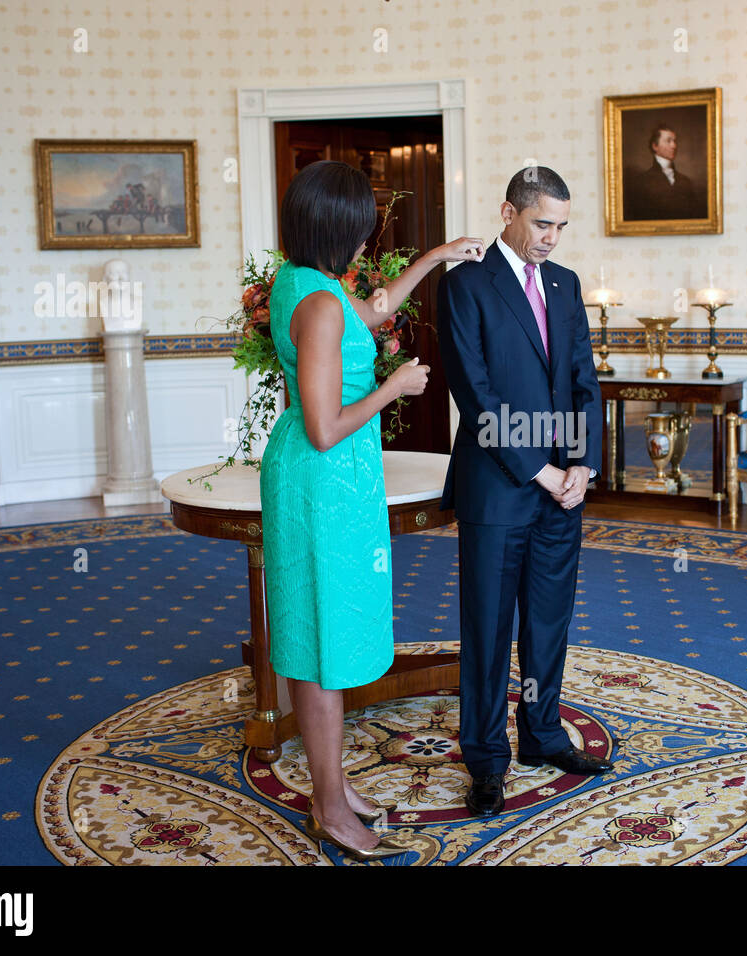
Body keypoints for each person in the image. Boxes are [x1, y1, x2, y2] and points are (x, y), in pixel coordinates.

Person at [261, 160, 483, 860]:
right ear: (337, 228)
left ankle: (333, 781)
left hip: (321, 477)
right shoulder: (322, 305)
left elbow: (380, 307)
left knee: (311, 630)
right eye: (361, 230)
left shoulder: (304, 283)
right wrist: (396, 386)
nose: (366, 241)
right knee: (323, 642)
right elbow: (326, 426)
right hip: (323, 479)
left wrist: (438, 258)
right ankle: (330, 805)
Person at [436, 166, 612, 818]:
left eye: (562, 227)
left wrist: (583, 467)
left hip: (563, 491)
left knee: (546, 624)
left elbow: (584, 382)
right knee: (488, 629)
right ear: (507, 211)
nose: (552, 239)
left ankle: (541, 736)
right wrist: (539, 469)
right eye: (543, 223)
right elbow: (477, 396)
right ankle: (485, 759)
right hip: (499, 487)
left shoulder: (565, 286)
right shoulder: (464, 287)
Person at [623, 124, 706, 221]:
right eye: (668, 141)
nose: (674, 146)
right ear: (655, 146)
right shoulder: (641, 182)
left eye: (674, 141)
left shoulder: (685, 181)